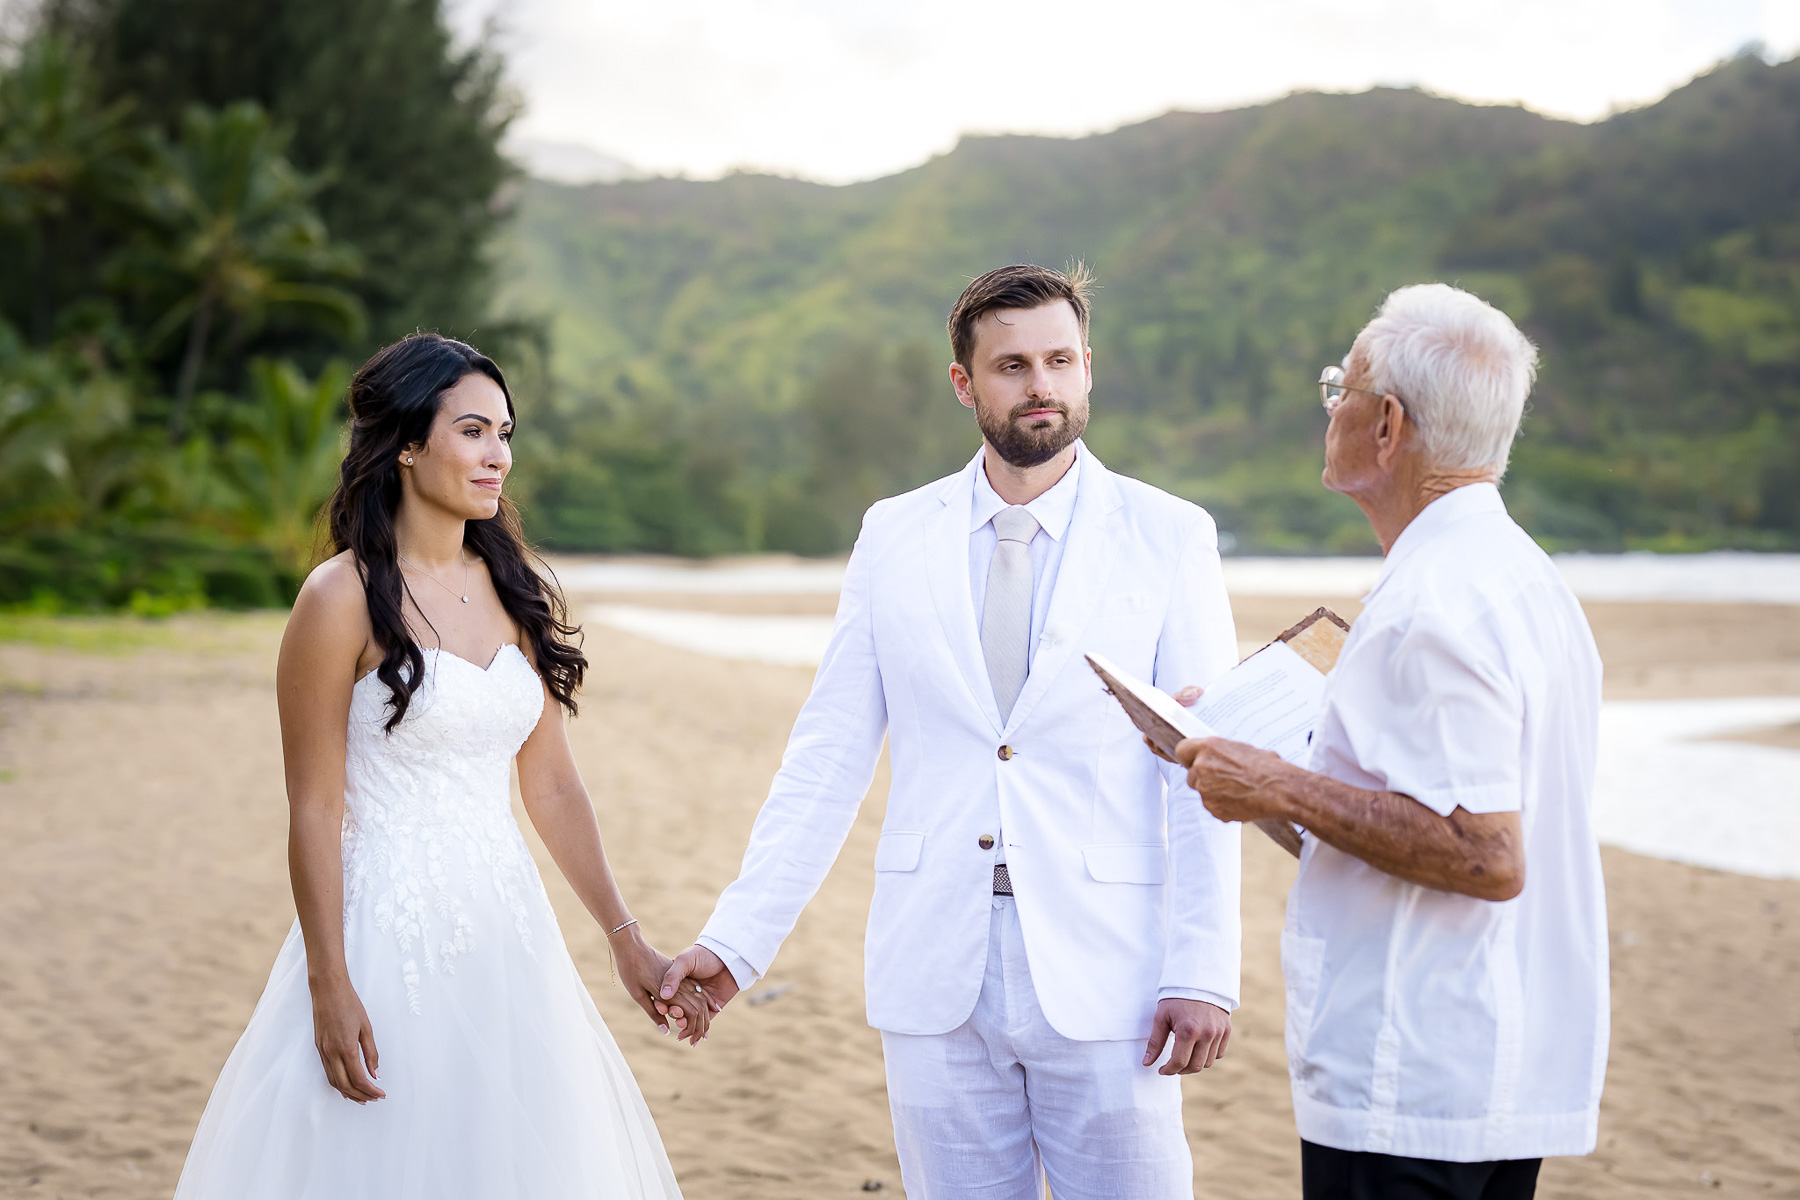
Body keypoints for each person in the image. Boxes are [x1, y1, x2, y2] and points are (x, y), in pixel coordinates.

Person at [658, 264, 1243, 1199]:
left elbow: (1205, 770)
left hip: (1110, 976)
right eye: (1012, 365)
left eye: (1060, 360)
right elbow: (829, 755)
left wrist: (1205, 970)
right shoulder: (894, 534)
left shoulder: (1170, 535)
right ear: (966, 384)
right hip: (936, 971)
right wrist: (737, 943)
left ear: (1089, 368)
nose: (1040, 385)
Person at [174, 334, 699, 1199]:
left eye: (505, 432)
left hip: (508, 929)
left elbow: (553, 784)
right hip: (383, 929)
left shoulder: (512, 587)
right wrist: (328, 980)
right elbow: (313, 807)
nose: (498, 455)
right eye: (473, 431)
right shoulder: (338, 598)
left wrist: (624, 937)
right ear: (409, 444)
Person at [1176, 284, 1609, 1200]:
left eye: (1344, 385)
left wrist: (1279, 785)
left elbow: (1484, 853)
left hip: (1411, 1072)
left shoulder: (1432, 604)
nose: (1330, 403)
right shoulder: (1525, 580)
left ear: (1388, 427)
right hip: (1487, 1057)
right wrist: (1246, 772)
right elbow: (1403, 822)